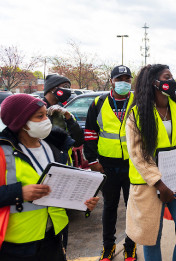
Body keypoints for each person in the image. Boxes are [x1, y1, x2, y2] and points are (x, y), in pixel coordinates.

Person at [0, 94, 98, 261]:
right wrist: (19, 193)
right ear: (21, 122)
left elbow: (63, 187)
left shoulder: (55, 147)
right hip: (18, 244)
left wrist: (83, 201)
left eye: (46, 114)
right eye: (40, 116)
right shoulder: (3, 152)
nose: (47, 120)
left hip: (55, 236)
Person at [125, 64, 176, 261]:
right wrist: (159, 184)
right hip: (150, 186)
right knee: (152, 239)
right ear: (153, 82)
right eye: (167, 77)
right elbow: (138, 154)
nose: (171, 81)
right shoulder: (137, 114)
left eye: (171, 77)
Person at [83, 65, 137, 261]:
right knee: (109, 207)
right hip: (107, 166)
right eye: (119, 78)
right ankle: (108, 246)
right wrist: (93, 161)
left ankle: (130, 246)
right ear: (111, 81)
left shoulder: (137, 101)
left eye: (127, 78)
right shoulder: (98, 103)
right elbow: (89, 134)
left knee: (132, 207)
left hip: (133, 166)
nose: (124, 82)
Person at [43, 74, 84, 164]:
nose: (68, 90)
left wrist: (68, 117)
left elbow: (78, 141)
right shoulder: (36, 111)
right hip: (45, 163)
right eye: (65, 87)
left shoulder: (65, 113)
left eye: (69, 87)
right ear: (52, 88)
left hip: (64, 163)